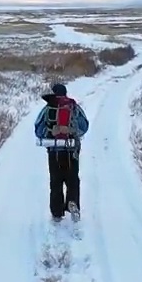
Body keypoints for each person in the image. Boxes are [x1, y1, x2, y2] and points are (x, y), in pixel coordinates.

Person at [33, 82, 90, 220]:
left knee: (55, 181)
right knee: (73, 179)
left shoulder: (47, 109)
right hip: (72, 150)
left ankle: (57, 213)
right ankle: (73, 203)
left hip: (54, 151)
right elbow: (84, 126)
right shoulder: (73, 107)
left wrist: (51, 132)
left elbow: (38, 130)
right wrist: (70, 131)